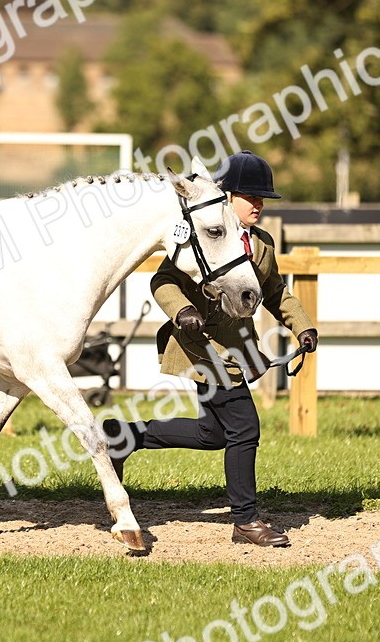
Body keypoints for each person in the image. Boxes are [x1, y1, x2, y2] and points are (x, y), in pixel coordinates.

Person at [104, 151, 318, 547]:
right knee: (244, 428)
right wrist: (182, 309)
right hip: (202, 350)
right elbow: (162, 281)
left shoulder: (262, 244)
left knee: (212, 433)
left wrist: (302, 326)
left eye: (263, 199)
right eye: (250, 197)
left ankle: (125, 437)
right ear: (227, 195)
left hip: (237, 353)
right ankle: (246, 521)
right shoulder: (202, 231)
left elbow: (274, 292)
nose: (258, 205)